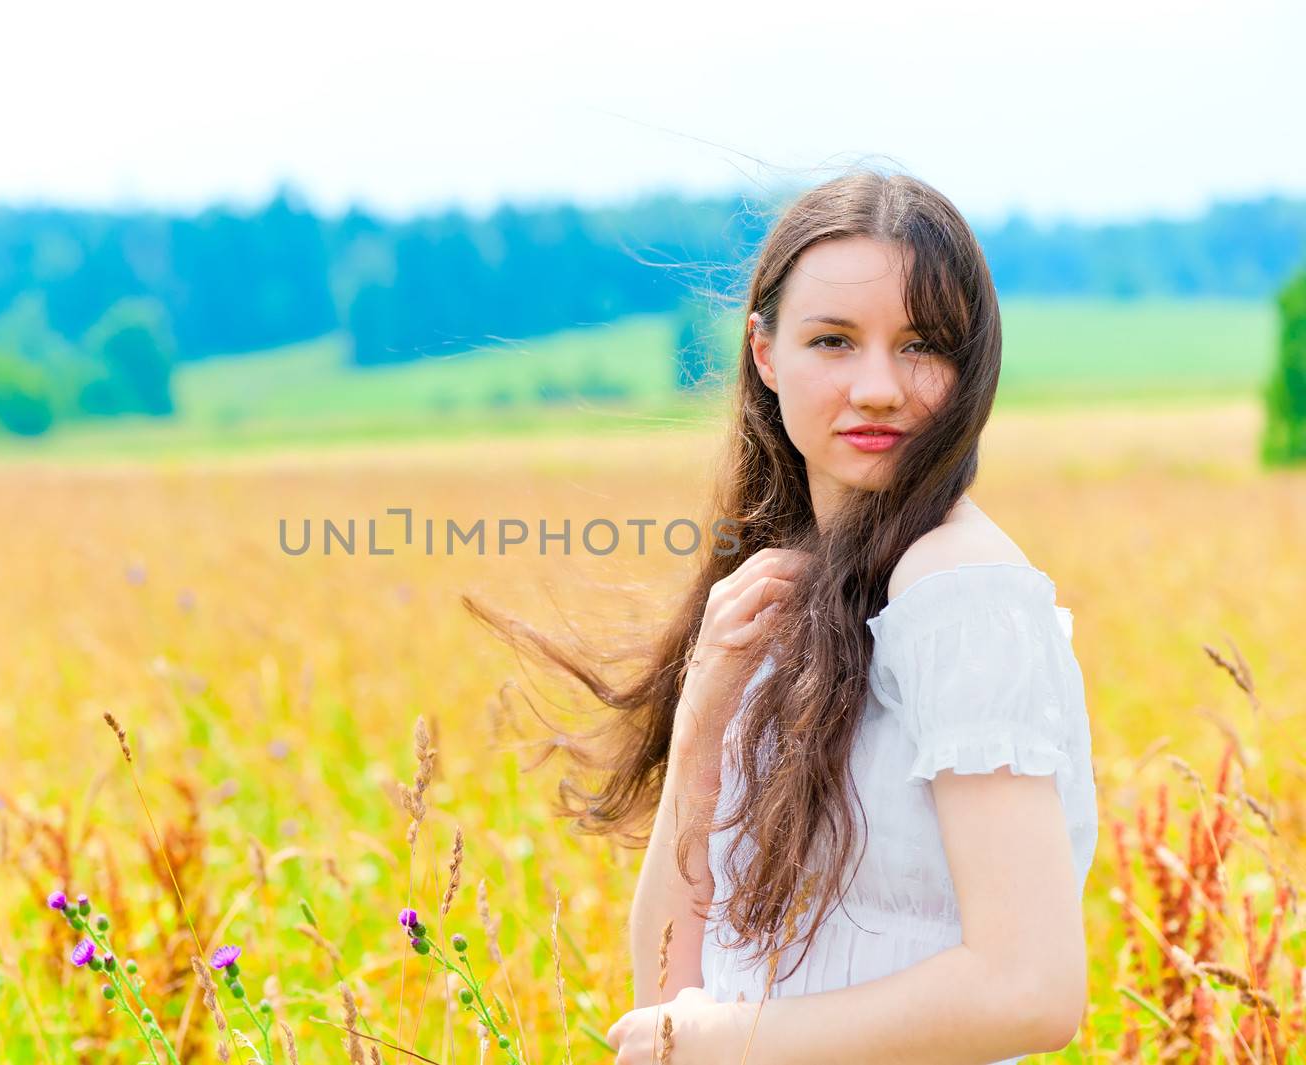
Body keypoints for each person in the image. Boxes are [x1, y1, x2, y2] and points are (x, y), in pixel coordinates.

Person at [471, 166, 1098, 1063]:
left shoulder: (962, 590)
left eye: (922, 344)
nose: (879, 386)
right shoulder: (775, 590)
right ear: (765, 354)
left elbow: (1028, 987)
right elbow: (668, 998)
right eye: (834, 341)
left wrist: (735, 1039)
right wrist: (700, 721)